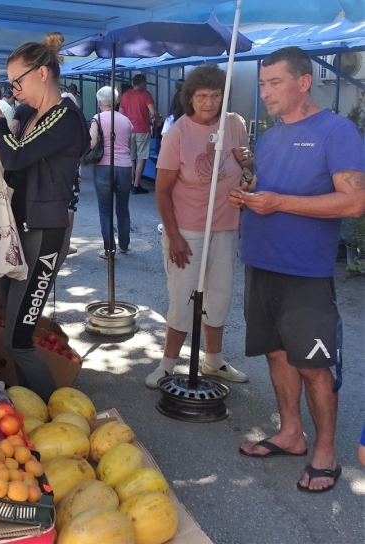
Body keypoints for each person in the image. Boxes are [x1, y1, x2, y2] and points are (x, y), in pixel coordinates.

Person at [229, 47, 365, 493]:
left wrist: (279, 203)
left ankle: (325, 451)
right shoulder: (269, 136)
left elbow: (354, 201)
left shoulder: (336, 131)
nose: (265, 92)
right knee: (276, 354)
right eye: (263, 83)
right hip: (261, 263)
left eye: (274, 83)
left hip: (305, 273)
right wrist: (246, 193)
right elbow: (264, 189)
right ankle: (291, 433)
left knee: (315, 366)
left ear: (304, 82)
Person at [0, 32, 89, 402]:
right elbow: (15, 162)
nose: (14, 90)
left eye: (17, 82)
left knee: (18, 338)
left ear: (42, 73)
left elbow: (19, 156)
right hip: (18, 230)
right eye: (10, 85)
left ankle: (56, 414)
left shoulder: (66, 118)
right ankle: (26, 405)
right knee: (10, 320)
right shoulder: (26, 115)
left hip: (45, 233)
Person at [144, 65, 251, 390]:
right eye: (201, 96)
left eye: (215, 95)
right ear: (189, 98)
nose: (209, 102)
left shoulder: (235, 125)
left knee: (218, 295)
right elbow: (162, 191)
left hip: (225, 227)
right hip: (187, 231)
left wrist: (249, 166)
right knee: (183, 297)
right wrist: (174, 236)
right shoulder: (178, 133)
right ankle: (167, 364)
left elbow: (247, 173)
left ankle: (214, 361)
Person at [89, 86, 133, 257]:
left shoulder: (97, 118)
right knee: (123, 208)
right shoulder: (125, 120)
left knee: (105, 209)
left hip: (104, 167)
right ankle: (124, 244)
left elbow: (92, 143)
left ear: (99, 102)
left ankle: (109, 249)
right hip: (125, 167)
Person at [119, 74, 161, 194]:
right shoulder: (145, 95)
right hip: (142, 129)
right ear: (142, 83)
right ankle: (136, 185)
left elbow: (120, 114)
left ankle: (130, 182)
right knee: (141, 157)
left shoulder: (125, 96)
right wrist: (158, 118)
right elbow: (153, 111)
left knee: (132, 158)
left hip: (129, 130)